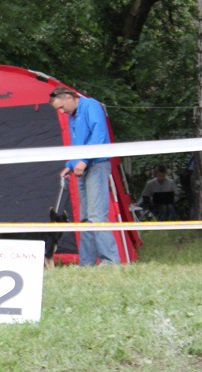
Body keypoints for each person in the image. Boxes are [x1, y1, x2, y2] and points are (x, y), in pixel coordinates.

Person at [49, 87, 119, 265]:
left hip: (96, 165)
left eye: (62, 107)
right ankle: (86, 263)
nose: (62, 112)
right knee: (85, 217)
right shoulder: (73, 116)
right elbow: (77, 144)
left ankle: (110, 261)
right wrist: (70, 165)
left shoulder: (91, 106)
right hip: (83, 166)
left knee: (96, 216)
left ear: (70, 98)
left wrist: (84, 161)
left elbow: (99, 134)